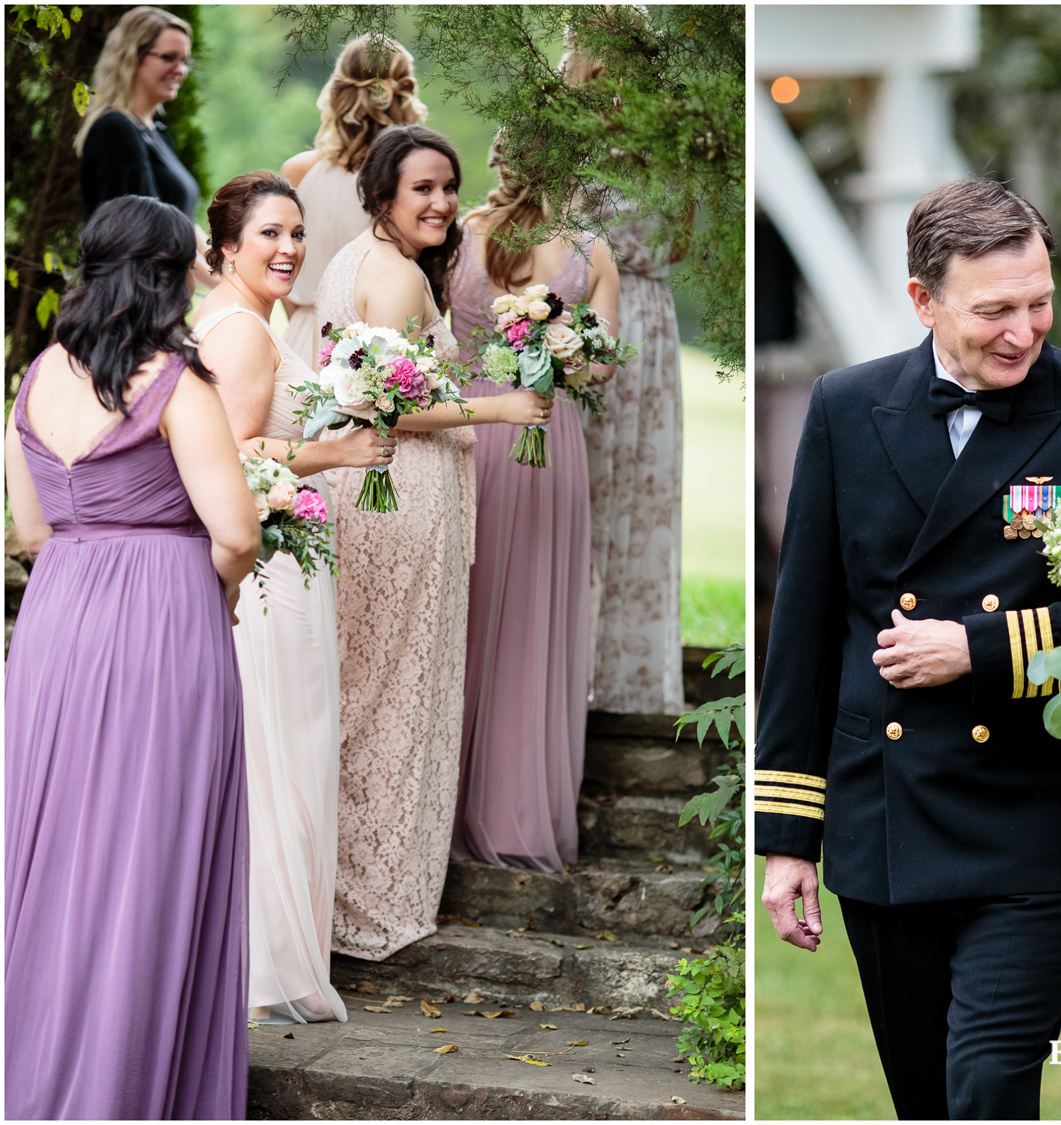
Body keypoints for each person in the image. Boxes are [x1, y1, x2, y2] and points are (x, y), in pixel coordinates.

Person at [755, 179, 1061, 1120]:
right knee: (925, 1100)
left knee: (987, 1089)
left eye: (1039, 302)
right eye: (995, 311)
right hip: (887, 821)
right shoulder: (844, 407)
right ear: (923, 300)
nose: (1024, 330)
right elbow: (806, 633)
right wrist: (786, 838)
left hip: (1031, 822)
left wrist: (976, 649)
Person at [4, 195, 260, 1118]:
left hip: (58, 618)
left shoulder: (35, 379)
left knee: (56, 844)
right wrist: (213, 591)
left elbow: (29, 528)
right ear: (163, 274)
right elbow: (235, 531)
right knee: (148, 848)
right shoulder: (178, 384)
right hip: (162, 617)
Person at [315, 124, 552, 960]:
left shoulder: (357, 261)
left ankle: (346, 890)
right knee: (394, 694)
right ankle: (370, 907)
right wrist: (498, 409)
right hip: (398, 495)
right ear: (384, 193)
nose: (443, 203)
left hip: (386, 494)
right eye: (423, 188)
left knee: (372, 686)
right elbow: (380, 405)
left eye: (449, 187)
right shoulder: (395, 279)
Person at [194, 171, 393, 1023]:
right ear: (226, 247)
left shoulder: (257, 323)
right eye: (269, 234)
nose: (288, 249)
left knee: (295, 752)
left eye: (297, 233)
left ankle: (281, 955)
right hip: (269, 570)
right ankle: (266, 968)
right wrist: (339, 455)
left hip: (293, 559)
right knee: (277, 757)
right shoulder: (238, 332)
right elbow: (230, 453)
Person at [447, 132, 621, 872]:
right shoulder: (592, 250)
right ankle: (520, 815)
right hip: (548, 432)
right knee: (535, 619)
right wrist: (563, 349)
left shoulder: (458, 240)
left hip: (470, 429)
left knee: (465, 611)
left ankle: (446, 805)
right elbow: (604, 367)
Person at [562, 39, 686, 715]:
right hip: (590, 316)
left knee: (640, 491)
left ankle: (626, 678)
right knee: (584, 491)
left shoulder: (665, 139)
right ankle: (572, 666)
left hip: (645, 322)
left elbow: (688, 237)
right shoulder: (566, 137)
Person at [279, 35, 427, 369]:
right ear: (405, 91)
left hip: (305, 338)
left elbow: (284, 269)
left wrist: (306, 318)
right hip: (377, 348)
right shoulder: (413, 177)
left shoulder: (298, 170)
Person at [75, 6, 212, 286]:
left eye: (185, 60)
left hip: (160, 300)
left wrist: (230, 275)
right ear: (132, 58)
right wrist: (229, 287)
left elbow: (184, 227)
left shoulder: (156, 133)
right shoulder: (115, 131)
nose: (181, 70)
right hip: (130, 306)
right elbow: (153, 233)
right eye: (169, 58)